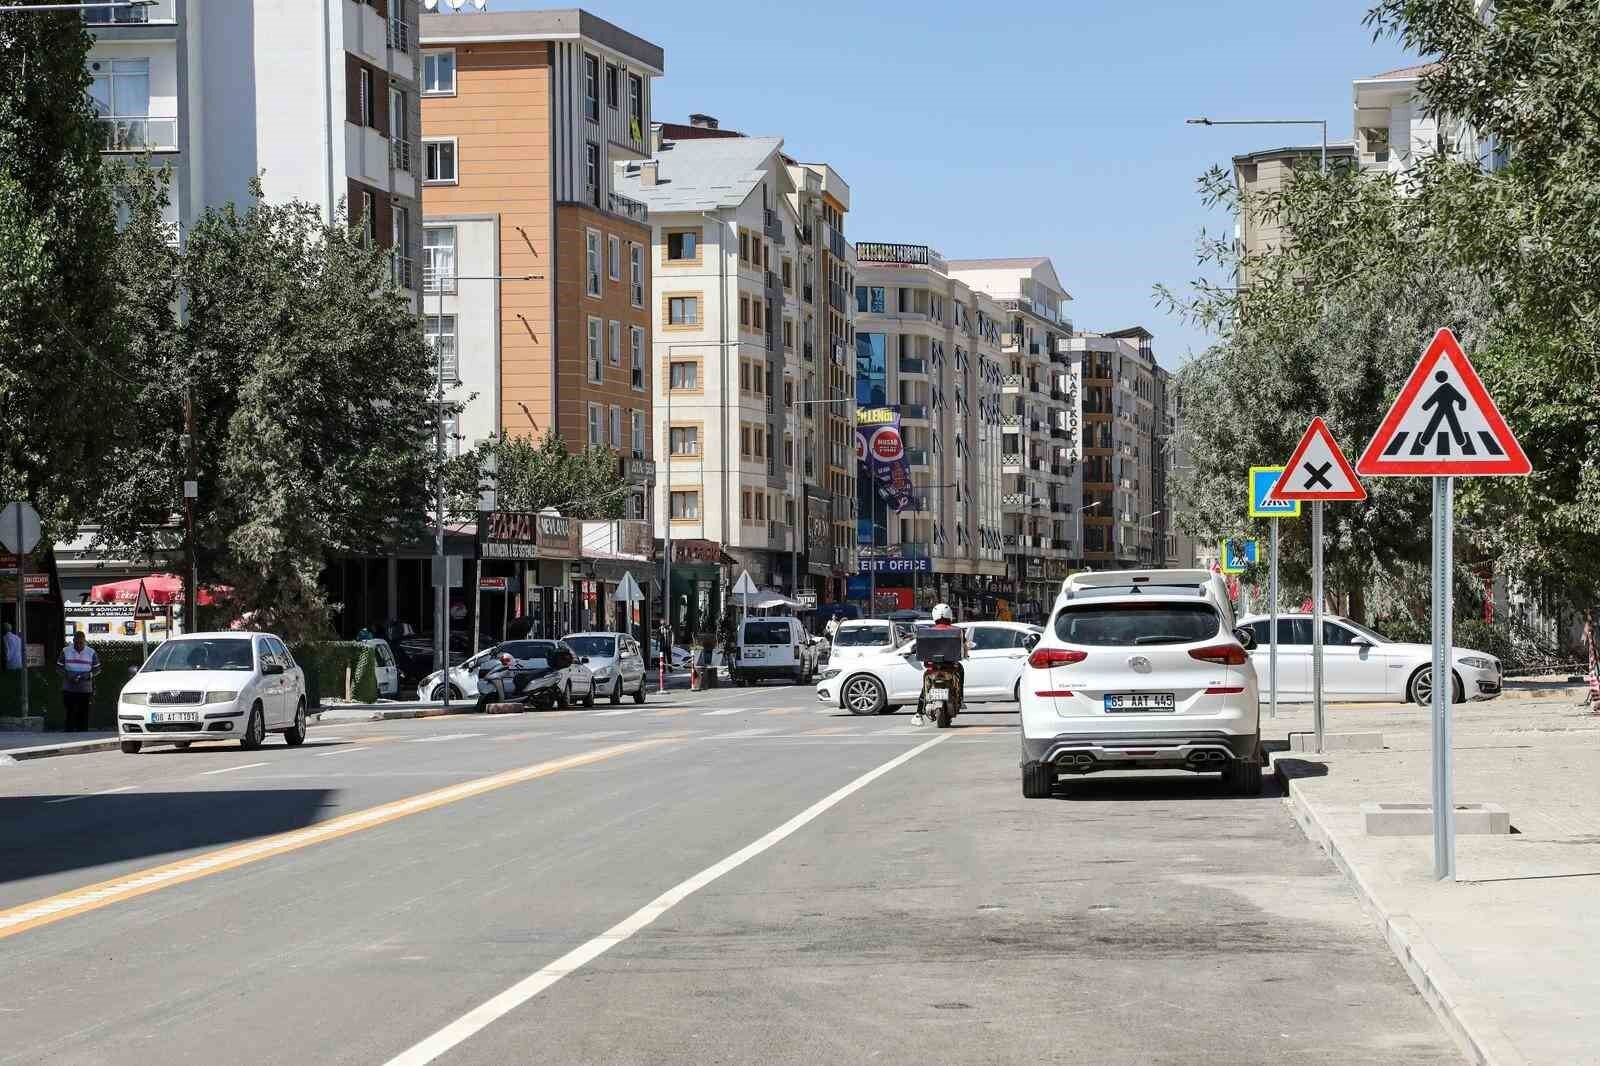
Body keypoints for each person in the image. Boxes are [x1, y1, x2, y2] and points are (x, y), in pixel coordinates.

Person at [57, 631, 101, 732]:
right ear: (73, 641)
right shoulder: (66, 651)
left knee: (84, 712)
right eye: (77, 643)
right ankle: (69, 732)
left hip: (85, 688)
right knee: (70, 711)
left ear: (85, 641)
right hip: (69, 687)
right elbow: (59, 667)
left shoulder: (91, 652)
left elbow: (97, 669)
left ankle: (82, 732)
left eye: (81, 643)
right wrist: (68, 675)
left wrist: (88, 675)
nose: (79, 645)